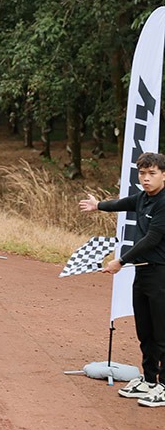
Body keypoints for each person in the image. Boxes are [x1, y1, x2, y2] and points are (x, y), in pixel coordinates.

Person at [79, 151, 165, 407]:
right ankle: (149, 380)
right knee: (145, 331)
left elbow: (152, 238)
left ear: (163, 175)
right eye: (142, 173)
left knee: (162, 334)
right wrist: (98, 206)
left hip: (161, 273)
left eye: (152, 174)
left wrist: (120, 261)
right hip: (143, 272)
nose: (146, 179)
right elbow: (122, 203)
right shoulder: (143, 198)